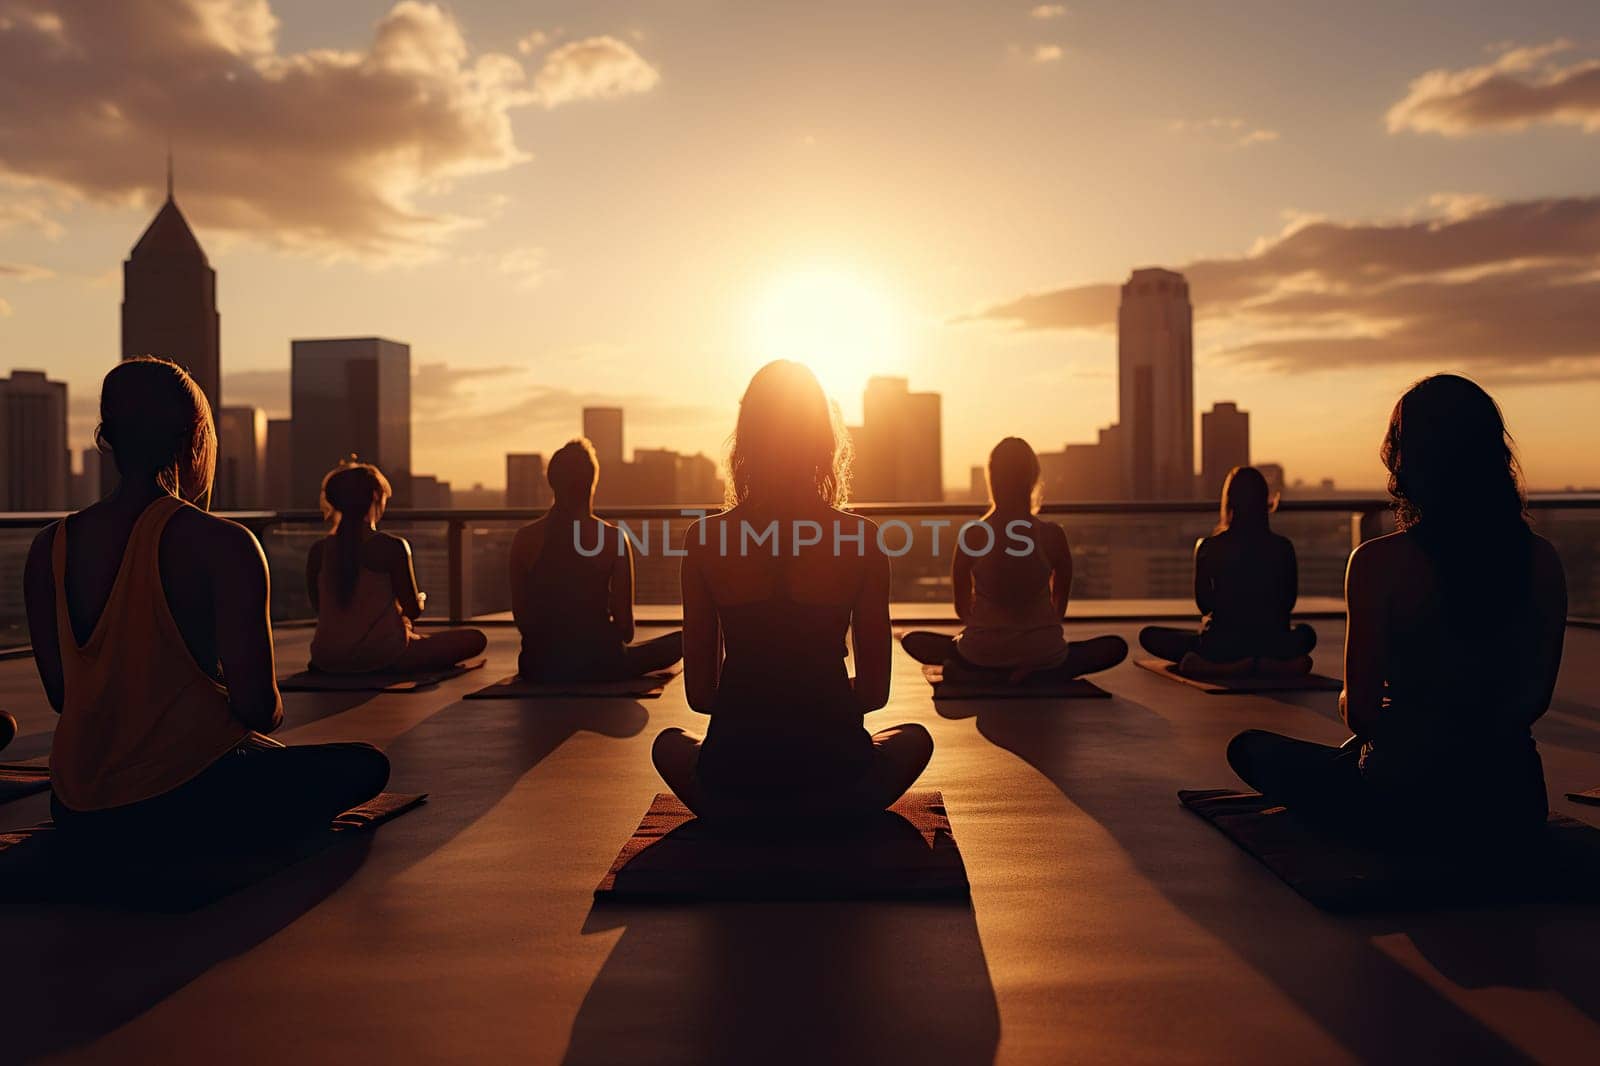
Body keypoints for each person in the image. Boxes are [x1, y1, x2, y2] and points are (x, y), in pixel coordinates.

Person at [22, 357, 390, 844]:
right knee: (366, 765)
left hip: (76, 804)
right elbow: (259, 709)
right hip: (188, 796)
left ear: (106, 436)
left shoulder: (49, 546)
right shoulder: (223, 543)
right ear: (195, 437)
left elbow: (62, 696)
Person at [1226, 375, 1565, 845]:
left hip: (1405, 800)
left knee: (1251, 749)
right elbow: (1534, 700)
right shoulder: (1542, 560)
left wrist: (1384, 710)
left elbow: (1361, 716)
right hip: (1512, 801)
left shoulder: (1376, 563)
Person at [652, 360, 932, 820]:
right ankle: (822, 815)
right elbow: (874, 695)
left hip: (735, 779)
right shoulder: (860, 539)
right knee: (914, 739)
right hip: (836, 776)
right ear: (822, 439)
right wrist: (816, 697)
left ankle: (749, 817)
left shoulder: (704, 540)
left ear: (746, 440)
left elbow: (701, 697)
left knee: (669, 745)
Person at [900, 437, 1127, 683]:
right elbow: (1058, 609)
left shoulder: (974, 534)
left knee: (914, 640)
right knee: (1115, 647)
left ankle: (982, 670)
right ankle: (1038, 671)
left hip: (982, 654)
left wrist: (989, 632)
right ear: (1032, 479)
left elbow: (962, 610)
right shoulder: (1051, 535)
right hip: (1043, 654)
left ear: (992, 479)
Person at [508, 440, 682, 682]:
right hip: (600, 663)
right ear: (592, 483)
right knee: (681, 640)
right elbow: (626, 631)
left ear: (552, 483)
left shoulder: (524, 539)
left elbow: (522, 619)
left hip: (539, 665)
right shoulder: (612, 538)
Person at [307, 462, 487, 675]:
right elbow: (412, 611)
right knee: (476, 639)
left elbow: (320, 608)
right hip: (385, 654)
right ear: (375, 496)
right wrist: (419, 599)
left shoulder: (319, 551)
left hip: (327, 657)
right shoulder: (392, 547)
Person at [1138, 466, 1317, 677]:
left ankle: (1219, 667)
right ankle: (1268, 664)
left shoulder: (1208, 547)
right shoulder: (1283, 546)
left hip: (1222, 646)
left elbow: (1204, 605)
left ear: (1229, 501)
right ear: (1264, 501)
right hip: (1271, 643)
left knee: (1149, 636)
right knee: (1307, 634)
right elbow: (1288, 602)